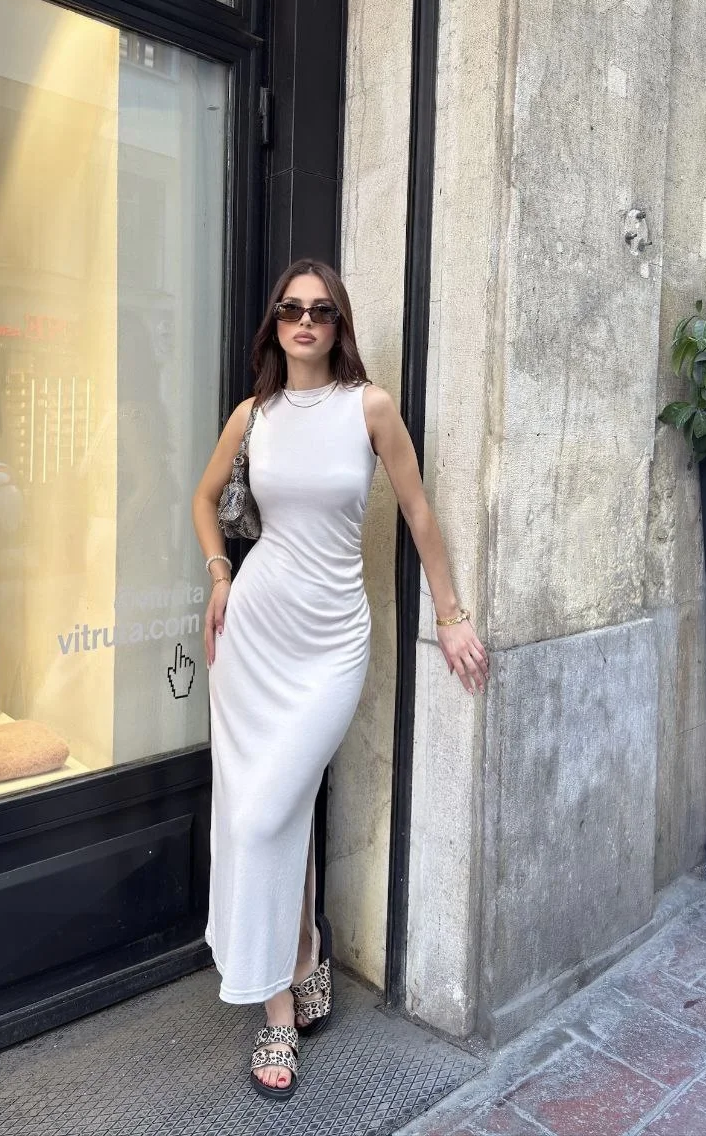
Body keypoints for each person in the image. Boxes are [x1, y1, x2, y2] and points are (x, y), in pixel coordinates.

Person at [191, 258, 489, 1101]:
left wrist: (450, 615)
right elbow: (204, 498)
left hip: (330, 643)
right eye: (291, 309)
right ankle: (282, 1000)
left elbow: (418, 512)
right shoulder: (252, 415)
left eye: (320, 311)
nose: (304, 321)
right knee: (266, 812)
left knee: (268, 810)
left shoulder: (369, 407)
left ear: (338, 324)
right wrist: (219, 574)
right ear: (274, 324)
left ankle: (298, 956)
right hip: (253, 634)